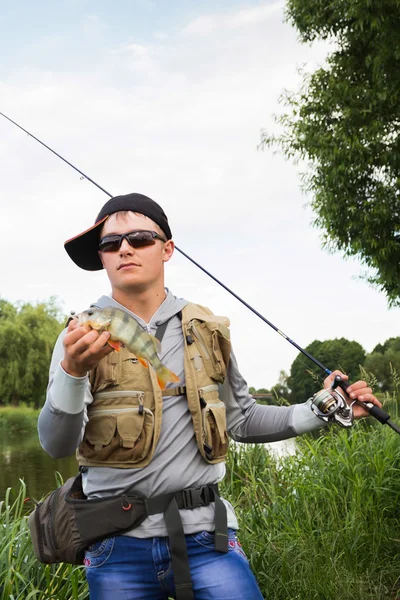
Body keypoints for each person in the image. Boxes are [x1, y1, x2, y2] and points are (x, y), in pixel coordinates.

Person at [38, 193, 380, 600]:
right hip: (115, 545)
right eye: (110, 244)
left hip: (208, 539)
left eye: (140, 238)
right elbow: (57, 444)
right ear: (102, 258)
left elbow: (242, 420)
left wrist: (324, 408)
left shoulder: (207, 330)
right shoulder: (80, 334)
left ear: (167, 250)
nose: (124, 248)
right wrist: (73, 372)